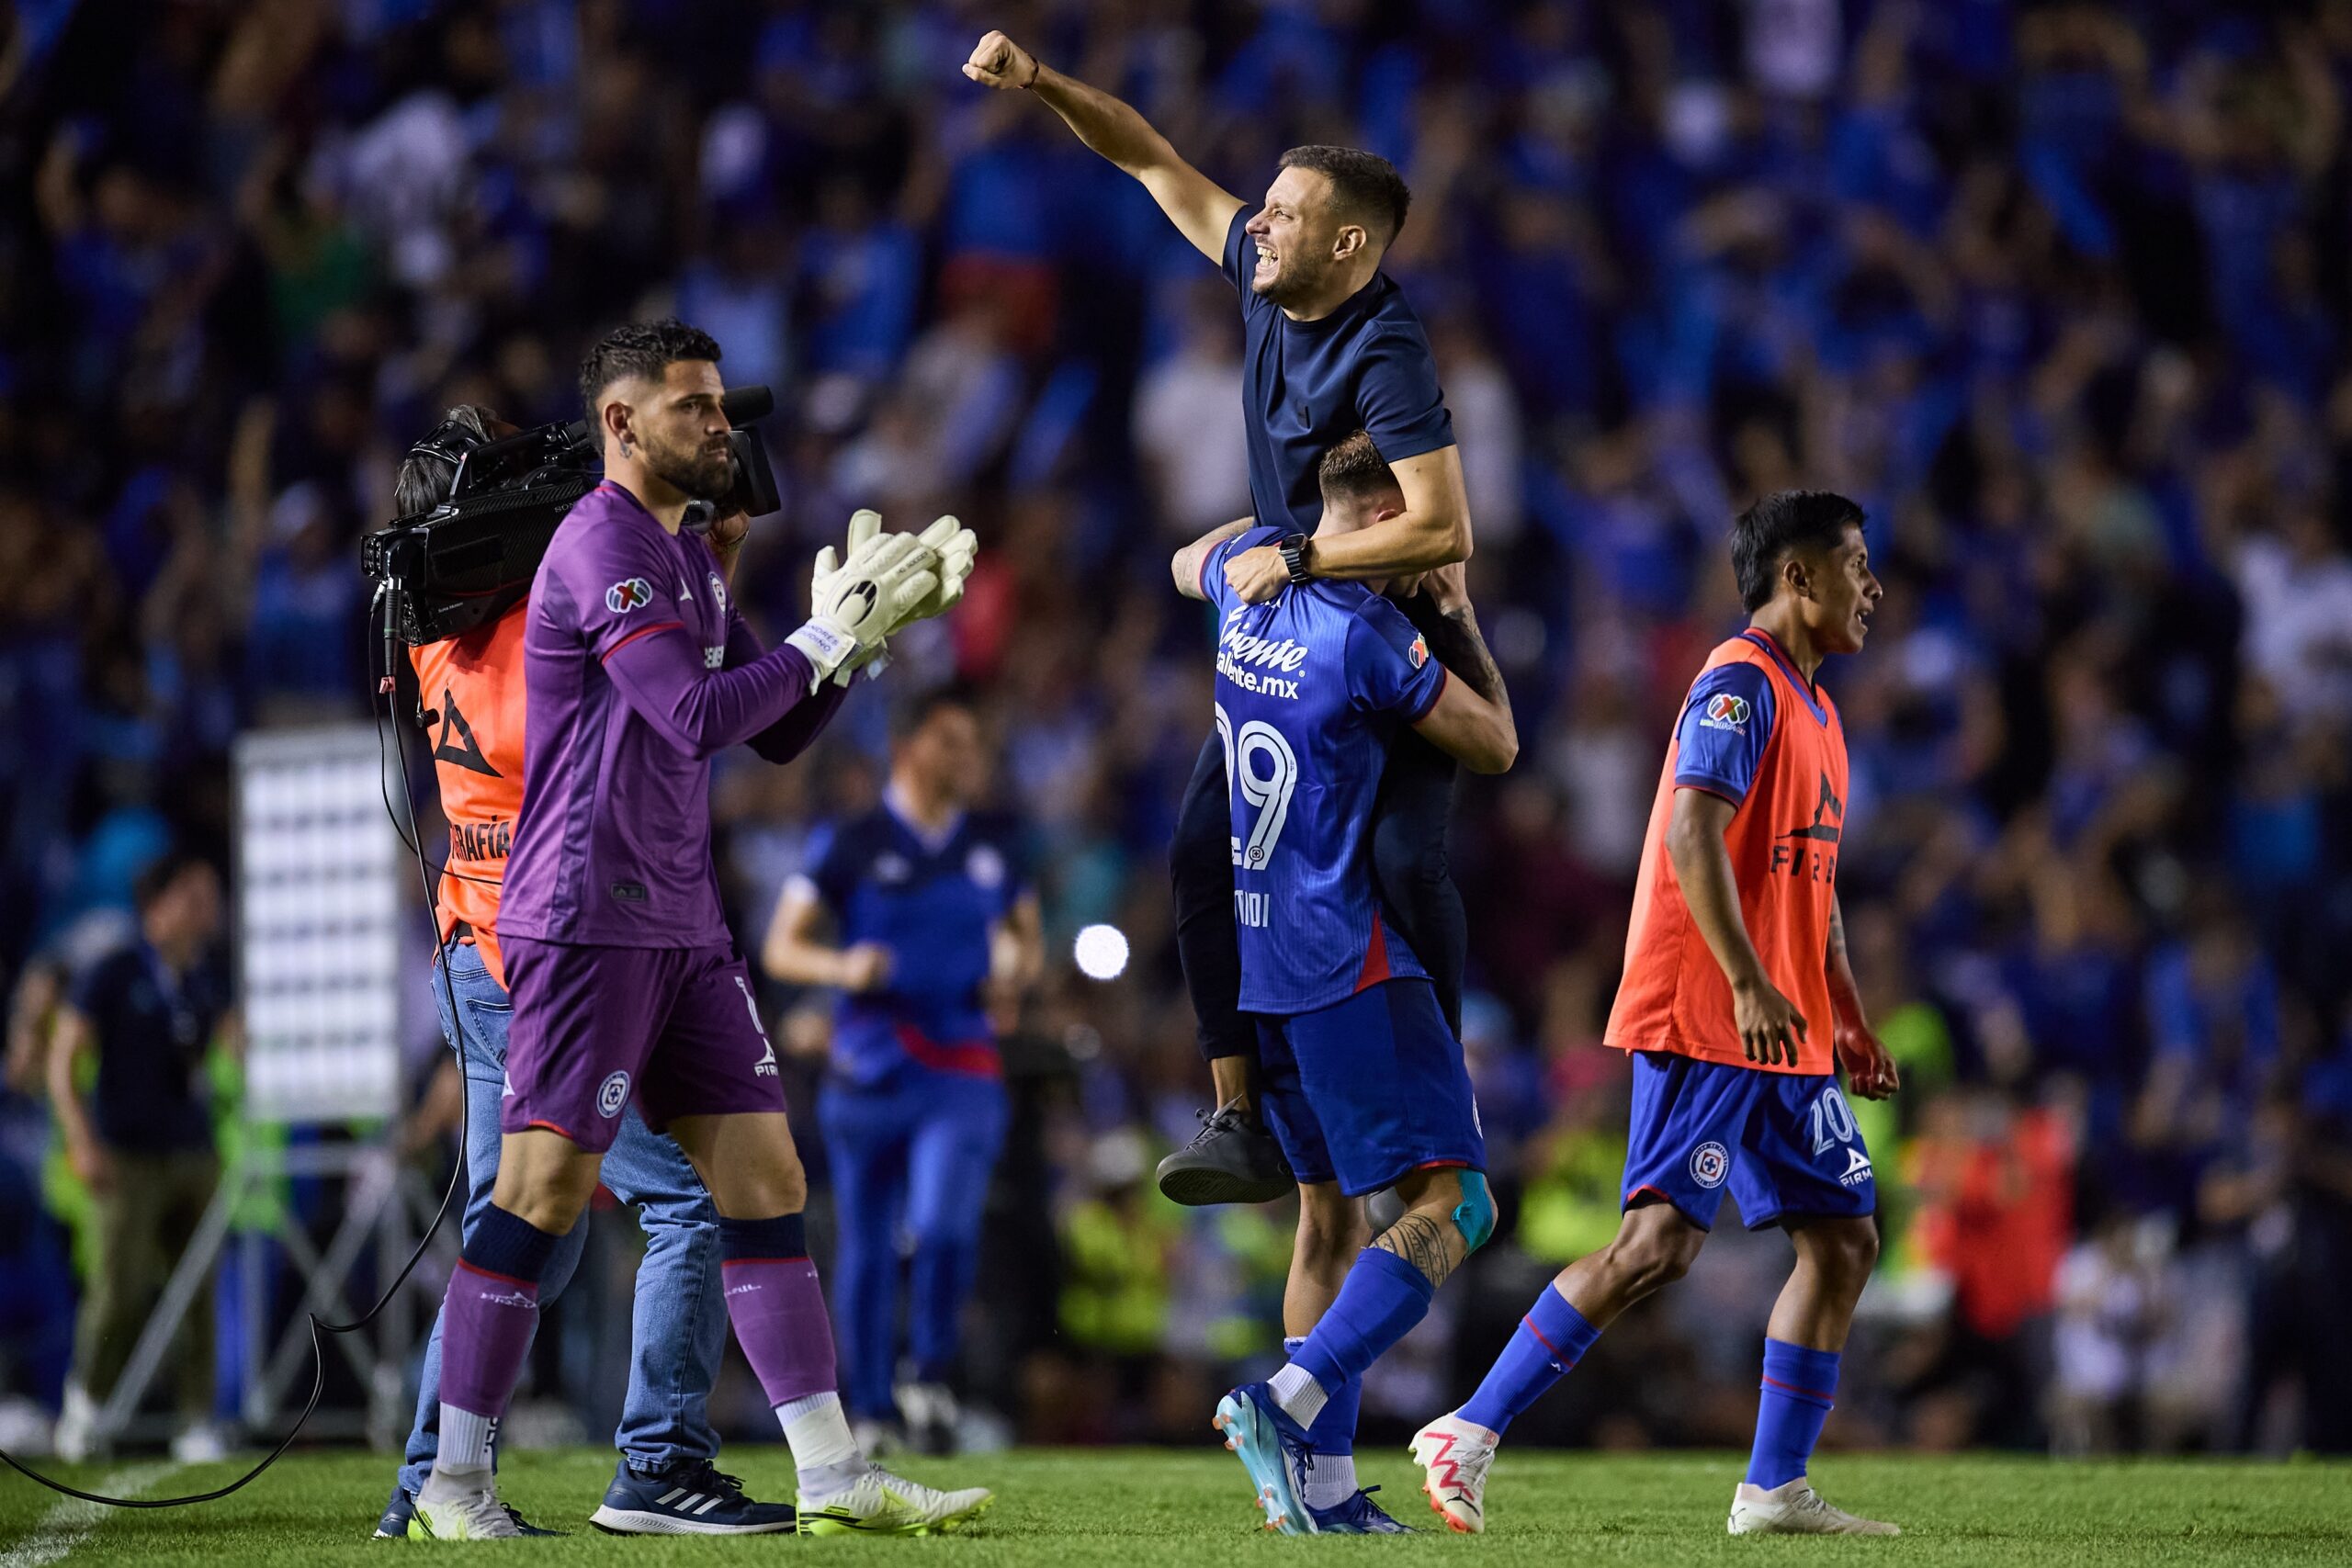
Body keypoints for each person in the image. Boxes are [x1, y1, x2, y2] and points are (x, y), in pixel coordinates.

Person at [406, 319, 987, 1540]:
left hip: (678, 922)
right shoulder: (605, 544)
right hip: (582, 919)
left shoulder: (681, 554)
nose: (723, 426)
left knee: (766, 1176)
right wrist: (830, 633)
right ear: (623, 423)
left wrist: (853, 646)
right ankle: (452, 1484)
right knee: (542, 1190)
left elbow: (767, 730)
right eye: (695, 408)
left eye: (722, 405)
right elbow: (687, 714)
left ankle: (831, 1469)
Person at [965, 29, 1481, 1208]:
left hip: (1385, 628)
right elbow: (1149, 160)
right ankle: (1238, 1113)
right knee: (1201, 853)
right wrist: (1045, 83)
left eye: (1287, 213)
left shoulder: (1385, 348)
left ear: (1348, 243)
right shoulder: (1261, 284)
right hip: (1289, 642)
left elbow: (1444, 529)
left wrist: (1290, 550)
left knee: (1403, 853)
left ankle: (1441, 1090)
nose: (1259, 224)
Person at [1409, 491, 1902, 1538]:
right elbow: (1689, 833)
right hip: (1712, 1011)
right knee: (1657, 1247)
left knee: (1844, 1240)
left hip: (1785, 1027)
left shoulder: (1818, 709)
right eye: (1855, 564)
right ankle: (1470, 1428)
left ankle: (1773, 1489)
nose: (1873, 587)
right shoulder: (1738, 686)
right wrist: (1743, 979)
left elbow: (1811, 882)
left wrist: (1846, 1015)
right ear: (1797, 577)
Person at [372, 402, 795, 1537]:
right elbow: (676, 716)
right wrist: (697, 587)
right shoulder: (551, 619)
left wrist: (691, 569)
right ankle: (659, 1463)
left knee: (517, 1233)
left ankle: (428, 1484)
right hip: (557, 953)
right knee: (688, 1203)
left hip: (474, 947)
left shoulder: (436, 632)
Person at [1170, 434, 1517, 1535]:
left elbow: (1189, 555)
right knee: (1455, 1202)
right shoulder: (1367, 634)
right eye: (1416, 523)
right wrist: (1454, 605)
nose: (1431, 545)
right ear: (1376, 520)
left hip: (1259, 957)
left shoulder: (1241, 581)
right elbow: (1497, 742)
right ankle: (1285, 1401)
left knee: (1326, 1219)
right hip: (1346, 957)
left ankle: (1320, 1499)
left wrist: (1287, 542)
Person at [762, 686, 1043, 1456]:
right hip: (869, 1065)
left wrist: (1014, 968)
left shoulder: (994, 844)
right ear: (909, 747)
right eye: (951, 741)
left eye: (973, 744)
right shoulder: (848, 841)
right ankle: (878, 1406)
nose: (968, 757)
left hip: (961, 1064)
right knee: (866, 1244)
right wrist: (842, 964)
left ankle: (930, 1369)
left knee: (947, 1223)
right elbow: (782, 946)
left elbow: (1026, 940)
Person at [47, 852, 233, 1466]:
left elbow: (211, 1059)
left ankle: (196, 1418)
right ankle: (87, 1403)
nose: (208, 908)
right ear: (161, 902)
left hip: (192, 1149)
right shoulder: (112, 968)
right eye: (195, 895)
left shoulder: (205, 977)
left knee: (196, 1293)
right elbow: (63, 1059)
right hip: (126, 1154)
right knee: (119, 1291)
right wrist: (80, 1138)